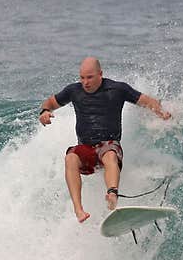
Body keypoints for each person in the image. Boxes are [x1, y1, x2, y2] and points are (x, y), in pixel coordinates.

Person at [39, 57, 172, 223]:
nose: (85, 82)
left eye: (89, 77)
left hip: (109, 145)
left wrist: (164, 114)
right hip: (86, 148)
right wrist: (44, 111)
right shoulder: (74, 91)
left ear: (100, 74)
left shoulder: (117, 89)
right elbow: (50, 102)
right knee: (71, 157)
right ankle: (79, 210)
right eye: (82, 77)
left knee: (109, 154)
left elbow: (146, 101)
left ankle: (112, 194)